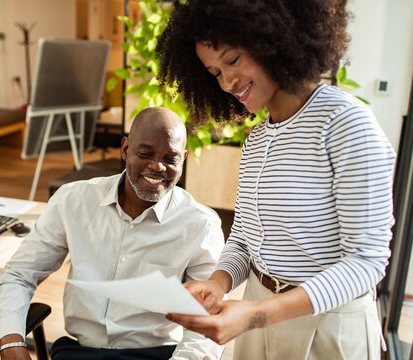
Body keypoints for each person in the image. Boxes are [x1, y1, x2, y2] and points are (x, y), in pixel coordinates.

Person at [155, 0, 395, 359]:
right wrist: (217, 283)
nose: (227, 82)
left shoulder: (346, 124)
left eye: (233, 59)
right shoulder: (257, 140)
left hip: (327, 323)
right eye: (215, 73)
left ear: (273, 38)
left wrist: (258, 315)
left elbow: (367, 261)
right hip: (258, 306)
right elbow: (245, 237)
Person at [0, 107, 224, 360]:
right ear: (125, 149)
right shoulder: (73, 200)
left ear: (184, 158)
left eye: (171, 159)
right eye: (145, 153)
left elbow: (207, 323)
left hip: (156, 355)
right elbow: (20, 274)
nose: (158, 166)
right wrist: (11, 341)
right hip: (80, 352)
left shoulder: (201, 225)